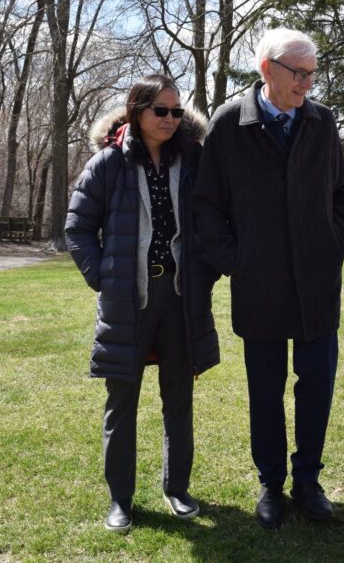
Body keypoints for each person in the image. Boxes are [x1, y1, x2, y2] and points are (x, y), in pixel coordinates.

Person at [190, 28, 344, 529]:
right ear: (267, 69)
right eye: (299, 73)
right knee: (265, 389)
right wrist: (238, 260)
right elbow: (205, 207)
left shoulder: (322, 123)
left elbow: (341, 196)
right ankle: (271, 484)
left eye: (312, 74)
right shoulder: (228, 124)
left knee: (317, 385)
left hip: (315, 285)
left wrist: (333, 243)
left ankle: (307, 481)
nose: (308, 83)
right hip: (258, 285)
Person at [65, 74, 220, 533]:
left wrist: (204, 273)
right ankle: (121, 500)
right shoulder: (109, 163)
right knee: (122, 403)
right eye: (161, 111)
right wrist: (104, 278)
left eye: (177, 112)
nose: (171, 119)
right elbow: (78, 228)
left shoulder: (193, 160)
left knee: (179, 398)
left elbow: (213, 219)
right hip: (127, 300)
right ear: (137, 111)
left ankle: (177, 489)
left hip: (179, 297)